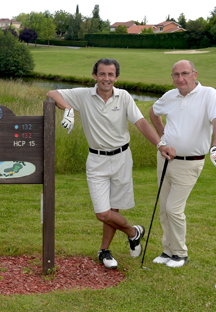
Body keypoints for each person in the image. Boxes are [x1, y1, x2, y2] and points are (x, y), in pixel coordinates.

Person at [47, 58, 172, 270]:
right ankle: (134, 232)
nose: (106, 79)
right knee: (102, 213)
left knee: (113, 208)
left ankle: (104, 250)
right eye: (102, 74)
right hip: (96, 160)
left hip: (122, 158)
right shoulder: (83, 95)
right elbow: (52, 94)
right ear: (95, 76)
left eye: (111, 75)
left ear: (116, 77)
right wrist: (68, 109)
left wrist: (160, 144)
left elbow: (140, 122)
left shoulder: (123, 97)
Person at [149, 60, 216, 268]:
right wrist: (162, 134)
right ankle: (167, 250)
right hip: (165, 159)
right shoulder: (169, 96)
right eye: (176, 75)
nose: (180, 79)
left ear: (194, 74)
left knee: (173, 208)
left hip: (190, 163)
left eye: (185, 73)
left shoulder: (209, 94)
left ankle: (180, 254)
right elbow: (153, 112)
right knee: (164, 209)